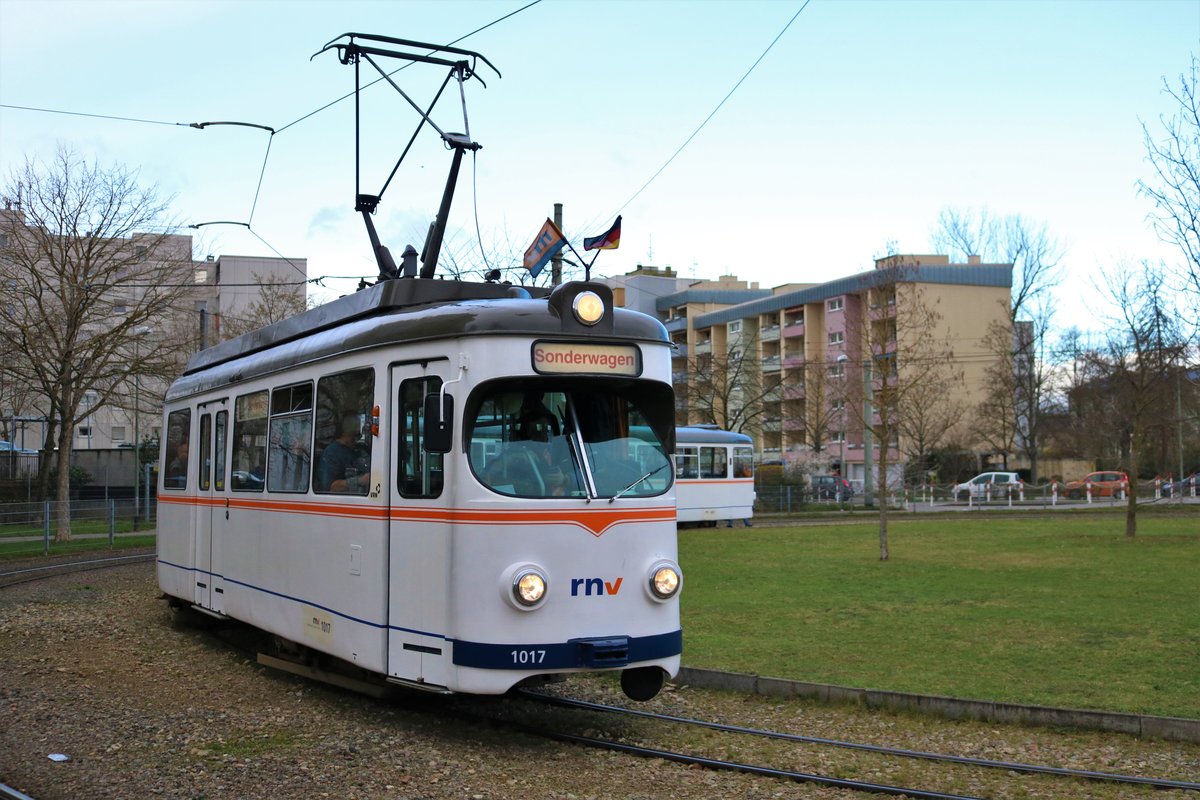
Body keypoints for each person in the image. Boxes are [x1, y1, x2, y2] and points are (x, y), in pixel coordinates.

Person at [318, 414, 368, 494]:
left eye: (359, 435)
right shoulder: (331, 453)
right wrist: (360, 480)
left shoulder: (361, 449)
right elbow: (331, 488)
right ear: (345, 432)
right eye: (354, 435)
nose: (357, 439)